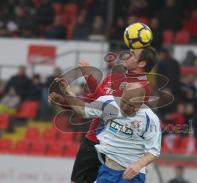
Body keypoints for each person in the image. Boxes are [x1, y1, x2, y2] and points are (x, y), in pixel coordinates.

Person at [49, 47, 158, 183]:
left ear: (142, 64)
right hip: (92, 140)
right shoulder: (114, 77)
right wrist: (65, 102)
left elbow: (110, 109)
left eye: (131, 55)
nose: (126, 57)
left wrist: (89, 77)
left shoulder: (141, 88)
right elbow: (92, 105)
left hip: (114, 149)